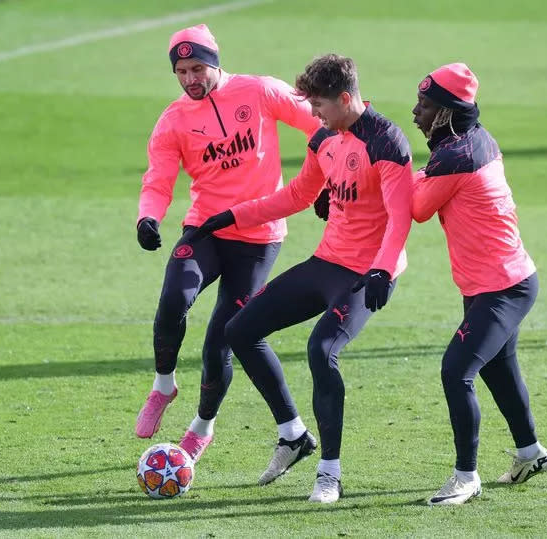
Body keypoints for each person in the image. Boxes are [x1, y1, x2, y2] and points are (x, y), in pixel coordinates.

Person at [192, 53, 413, 503]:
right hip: (326, 261)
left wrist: (384, 269)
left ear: (346, 98)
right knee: (240, 330)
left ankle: (329, 472)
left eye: (319, 106)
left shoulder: (387, 142)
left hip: (363, 273)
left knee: (321, 350)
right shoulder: (325, 140)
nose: (313, 115)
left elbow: (400, 217)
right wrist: (233, 215)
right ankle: (294, 434)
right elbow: (297, 194)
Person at [134, 23, 321, 463]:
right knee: (173, 298)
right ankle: (164, 384)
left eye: (197, 67)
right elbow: (158, 180)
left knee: (221, 339)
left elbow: (320, 123)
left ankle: (202, 427)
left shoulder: (260, 91)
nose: (190, 79)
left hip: (258, 237)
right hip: (205, 229)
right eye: (181, 71)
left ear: (215, 62)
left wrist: (328, 178)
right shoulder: (173, 120)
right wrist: (148, 216)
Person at [410, 64, 547, 506]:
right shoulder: (471, 140)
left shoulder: (456, 156)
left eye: (427, 105)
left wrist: (390, 172)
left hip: (501, 289)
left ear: (449, 111)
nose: (416, 113)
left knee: (456, 371)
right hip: (499, 282)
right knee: (498, 368)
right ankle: (531, 452)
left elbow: (416, 208)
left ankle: (465, 477)